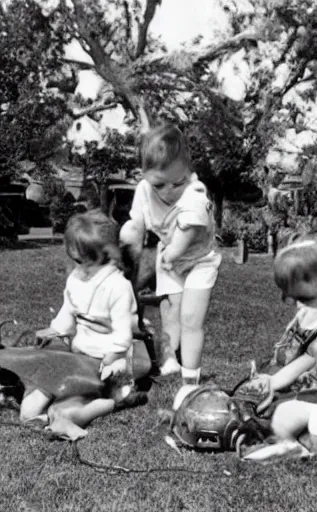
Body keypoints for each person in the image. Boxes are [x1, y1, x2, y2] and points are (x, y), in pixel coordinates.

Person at [119, 123, 222, 408]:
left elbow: (184, 238)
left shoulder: (194, 193)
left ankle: (190, 383)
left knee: (191, 318)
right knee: (170, 311)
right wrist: (129, 242)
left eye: (176, 183)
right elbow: (137, 224)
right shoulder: (144, 190)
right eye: (159, 184)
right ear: (144, 176)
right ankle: (170, 359)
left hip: (198, 259)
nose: (168, 191)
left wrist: (171, 255)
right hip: (170, 258)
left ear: (187, 172)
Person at [31, 210, 150, 439]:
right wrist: (56, 329)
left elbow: (123, 336)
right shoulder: (76, 278)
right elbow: (68, 311)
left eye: (86, 261)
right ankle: (55, 410)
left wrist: (109, 360)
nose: (80, 268)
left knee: (74, 401)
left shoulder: (117, 286)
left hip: (115, 356)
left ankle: (111, 403)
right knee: (48, 391)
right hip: (82, 353)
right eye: (76, 260)